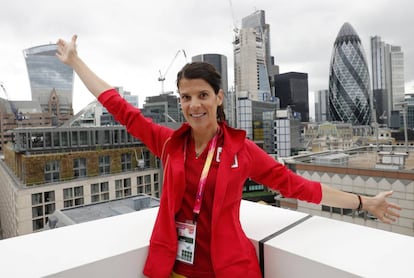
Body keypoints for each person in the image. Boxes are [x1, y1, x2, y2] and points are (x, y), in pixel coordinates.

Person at [56, 35, 401, 278]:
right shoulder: (168, 143)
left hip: (231, 270)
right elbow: (120, 108)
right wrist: (75, 62)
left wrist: (363, 202)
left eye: (202, 95)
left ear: (219, 98)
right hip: (176, 268)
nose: (194, 105)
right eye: (186, 97)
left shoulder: (241, 151)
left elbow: (298, 187)